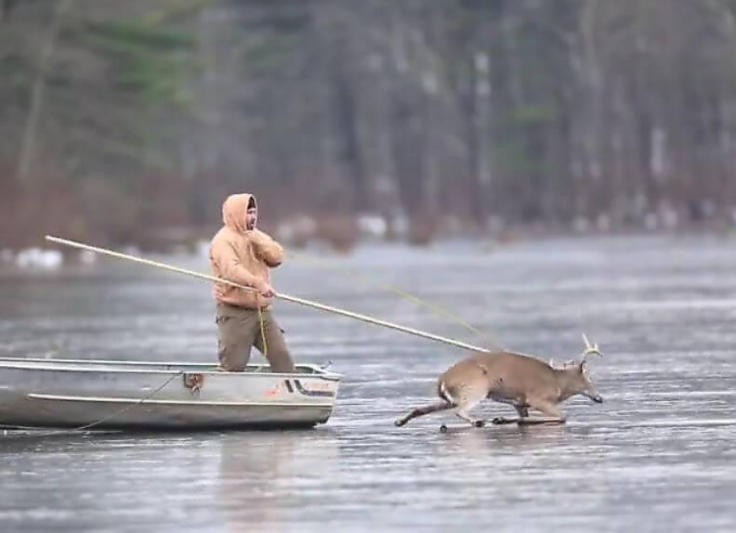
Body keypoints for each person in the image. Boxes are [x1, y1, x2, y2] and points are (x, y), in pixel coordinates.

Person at [209, 193, 295, 373]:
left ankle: (289, 394)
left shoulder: (256, 236)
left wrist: (258, 240)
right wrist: (258, 284)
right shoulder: (222, 240)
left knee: (282, 358)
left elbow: (277, 258)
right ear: (235, 214)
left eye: (254, 212)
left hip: (262, 312)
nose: (252, 217)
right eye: (248, 213)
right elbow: (232, 270)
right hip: (235, 314)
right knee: (234, 365)